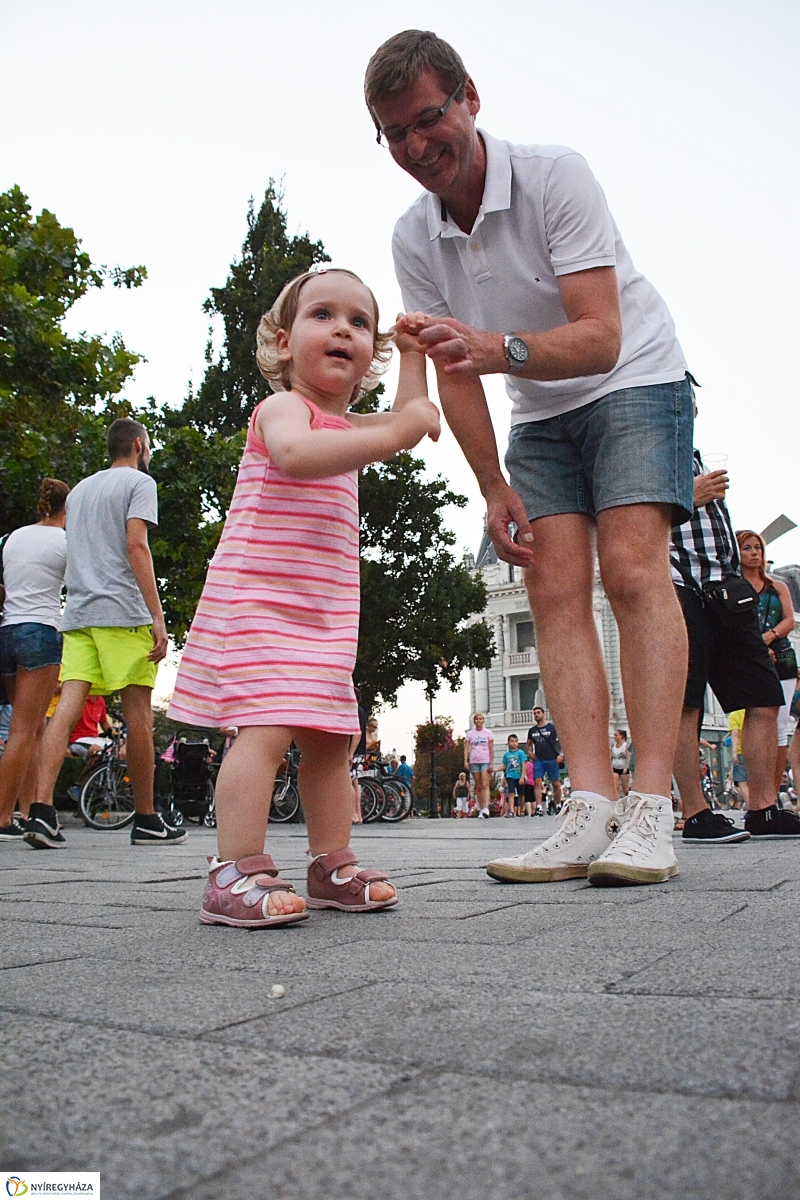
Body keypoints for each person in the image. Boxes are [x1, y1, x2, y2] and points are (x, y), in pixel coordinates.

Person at [366, 30, 693, 887]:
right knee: (550, 584)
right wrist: (491, 485)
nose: (416, 147)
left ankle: (653, 808)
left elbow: (599, 335)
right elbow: (456, 371)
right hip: (539, 407)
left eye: (428, 119)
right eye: (393, 134)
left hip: (633, 377)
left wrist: (494, 345)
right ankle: (588, 808)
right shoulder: (413, 237)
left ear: (469, 98)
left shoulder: (555, 176)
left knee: (629, 571)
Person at [166, 268, 440, 926]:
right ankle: (233, 870)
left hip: (323, 608)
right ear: (285, 343)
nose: (343, 327)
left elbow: (405, 418)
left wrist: (415, 358)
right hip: (260, 598)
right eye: (324, 314)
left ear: (368, 353)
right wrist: (402, 432)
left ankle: (330, 862)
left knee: (329, 739)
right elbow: (296, 455)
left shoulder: (347, 425)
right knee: (263, 730)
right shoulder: (283, 409)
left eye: (360, 321)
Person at [28, 420, 179, 849]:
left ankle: (41, 811)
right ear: (137, 445)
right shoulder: (138, 482)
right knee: (138, 717)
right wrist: (157, 617)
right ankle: (147, 819)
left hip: (78, 613)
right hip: (122, 612)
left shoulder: (78, 492)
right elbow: (136, 546)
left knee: (65, 712)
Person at [669, 450, 796, 842]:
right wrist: (688, 496)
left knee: (765, 695)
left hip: (726, 589)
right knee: (685, 703)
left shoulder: (694, 455)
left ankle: (763, 809)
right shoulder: (647, 451)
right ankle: (695, 814)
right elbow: (627, 520)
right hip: (679, 586)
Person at [0, 478, 69, 840]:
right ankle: (2, 816)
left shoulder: (11, 538)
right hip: (41, 631)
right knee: (23, 731)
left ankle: (28, 811)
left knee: (33, 729)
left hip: (7, 633)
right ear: (67, 508)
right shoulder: (65, 540)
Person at [737, 529, 799, 795]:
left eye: (757, 548)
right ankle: (761, 794)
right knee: (757, 718)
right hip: (750, 660)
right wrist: (754, 645)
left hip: (782, 658)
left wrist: (768, 637)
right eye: (747, 548)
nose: (754, 553)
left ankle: (772, 793)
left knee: (781, 725)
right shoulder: (734, 587)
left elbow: (789, 620)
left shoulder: (777, 586)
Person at [526, 707, 563, 816]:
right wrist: (529, 752)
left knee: (555, 783)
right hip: (539, 760)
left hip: (552, 758)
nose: (536, 715)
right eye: (535, 713)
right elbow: (528, 744)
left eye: (538, 713)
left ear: (543, 714)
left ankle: (558, 804)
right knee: (537, 781)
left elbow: (562, 741)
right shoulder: (532, 731)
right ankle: (539, 806)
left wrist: (561, 754)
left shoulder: (552, 728)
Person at [464, 712, 493, 818]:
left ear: (483, 720)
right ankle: (481, 808)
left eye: (480, 719)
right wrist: (466, 760)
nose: (479, 721)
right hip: (474, 760)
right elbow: (467, 747)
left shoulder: (488, 733)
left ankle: (486, 807)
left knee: (485, 784)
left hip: (485, 760)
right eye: (477, 719)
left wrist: (491, 762)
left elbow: (491, 748)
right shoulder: (470, 734)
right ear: (474, 721)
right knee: (478, 785)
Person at [67, 693, 112, 762]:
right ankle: (91, 772)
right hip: (77, 739)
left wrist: (114, 734)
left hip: (93, 738)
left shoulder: (100, 700)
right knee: (96, 751)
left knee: (117, 750)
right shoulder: (80, 699)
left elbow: (104, 722)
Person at [501, 733, 526, 817]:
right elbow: (505, 766)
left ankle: (522, 809)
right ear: (508, 742)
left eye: (515, 741)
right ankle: (511, 810)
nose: (514, 743)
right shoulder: (506, 755)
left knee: (521, 794)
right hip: (510, 775)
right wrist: (494, 770)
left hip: (519, 776)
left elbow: (523, 765)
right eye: (512, 741)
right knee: (511, 792)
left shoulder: (521, 753)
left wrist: (522, 776)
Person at [611, 729, 631, 798]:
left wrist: (626, 767)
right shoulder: (613, 746)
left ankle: (629, 797)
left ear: (621, 736)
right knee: (616, 787)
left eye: (616, 735)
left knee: (625, 789)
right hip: (615, 768)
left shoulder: (625, 746)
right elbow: (611, 757)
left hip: (623, 769)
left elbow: (628, 757)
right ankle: (618, 801)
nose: (614, 737)